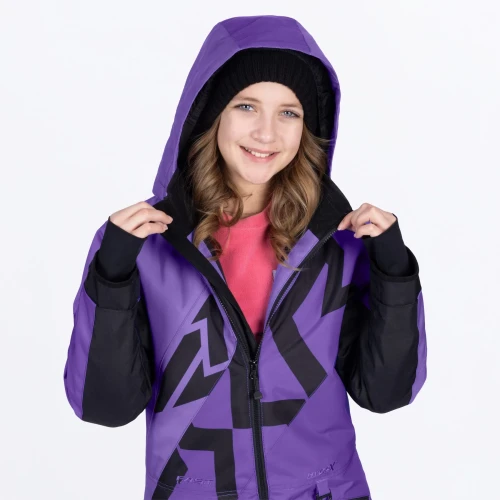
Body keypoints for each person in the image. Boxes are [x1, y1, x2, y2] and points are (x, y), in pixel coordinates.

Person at [63, 14, 427, 500]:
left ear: (308, 127)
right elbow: (104, 407)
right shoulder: (145, 242)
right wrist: (112, 275)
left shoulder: (341, 243)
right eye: (247, 106)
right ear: (211, 112)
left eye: (289, 112)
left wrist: (394, 274)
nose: (267, 133)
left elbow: (386, 394)